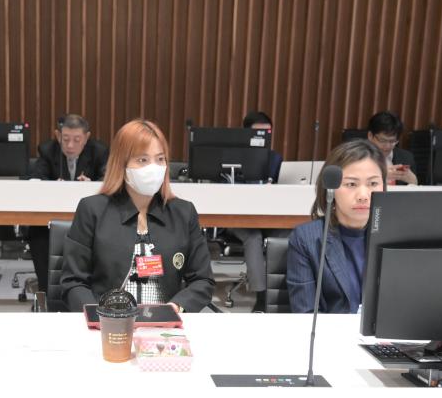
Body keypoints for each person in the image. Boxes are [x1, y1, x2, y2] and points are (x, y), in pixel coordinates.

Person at [60, 119, 214, 313]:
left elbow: (203, 280)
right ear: (122, 164)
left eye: (160, 159)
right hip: (108, 322)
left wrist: (175, 308)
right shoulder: (92, 210)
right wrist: (97, 316)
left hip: (165, 324)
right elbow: (74, 282)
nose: (153, 168)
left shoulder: (183, 213)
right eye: (142, 160)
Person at [286, 139, 386, 314]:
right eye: (351, 184)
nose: (363, 195)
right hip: (332, 330)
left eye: (373, 184)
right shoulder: (307, 239)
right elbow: (306, 313)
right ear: (330, 189)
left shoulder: (397, 234)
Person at [29, 114, 109, 293]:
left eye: (76, 140)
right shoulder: (47, 150)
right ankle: (46, 291)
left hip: (88, 218)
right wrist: (52, 186)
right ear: (58, 136)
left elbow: (109, 181)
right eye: (65, 139)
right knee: (36, 233)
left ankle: (89, 289)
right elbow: (35, 179)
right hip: (53, 216)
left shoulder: (99, 151)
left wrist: (92, 185)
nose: (70, 145)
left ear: (86, 138)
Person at [228, 110, 285, 312]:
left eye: (267, 133)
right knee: (253, 237)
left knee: (287, 236)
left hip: (268, 218)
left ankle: (282, 293)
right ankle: (261, 296)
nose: (263, 138)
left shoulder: (275, 159)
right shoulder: (233, 158)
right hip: (237, 219)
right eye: (258, 133)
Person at [366, 111, 417, 185]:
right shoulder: (356, 158)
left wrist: (414, 182)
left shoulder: (406, 158)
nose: (387, 146)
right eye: (382, 140)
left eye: (392, 141)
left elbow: (414, 188)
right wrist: (380, 178)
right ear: (370, 136)